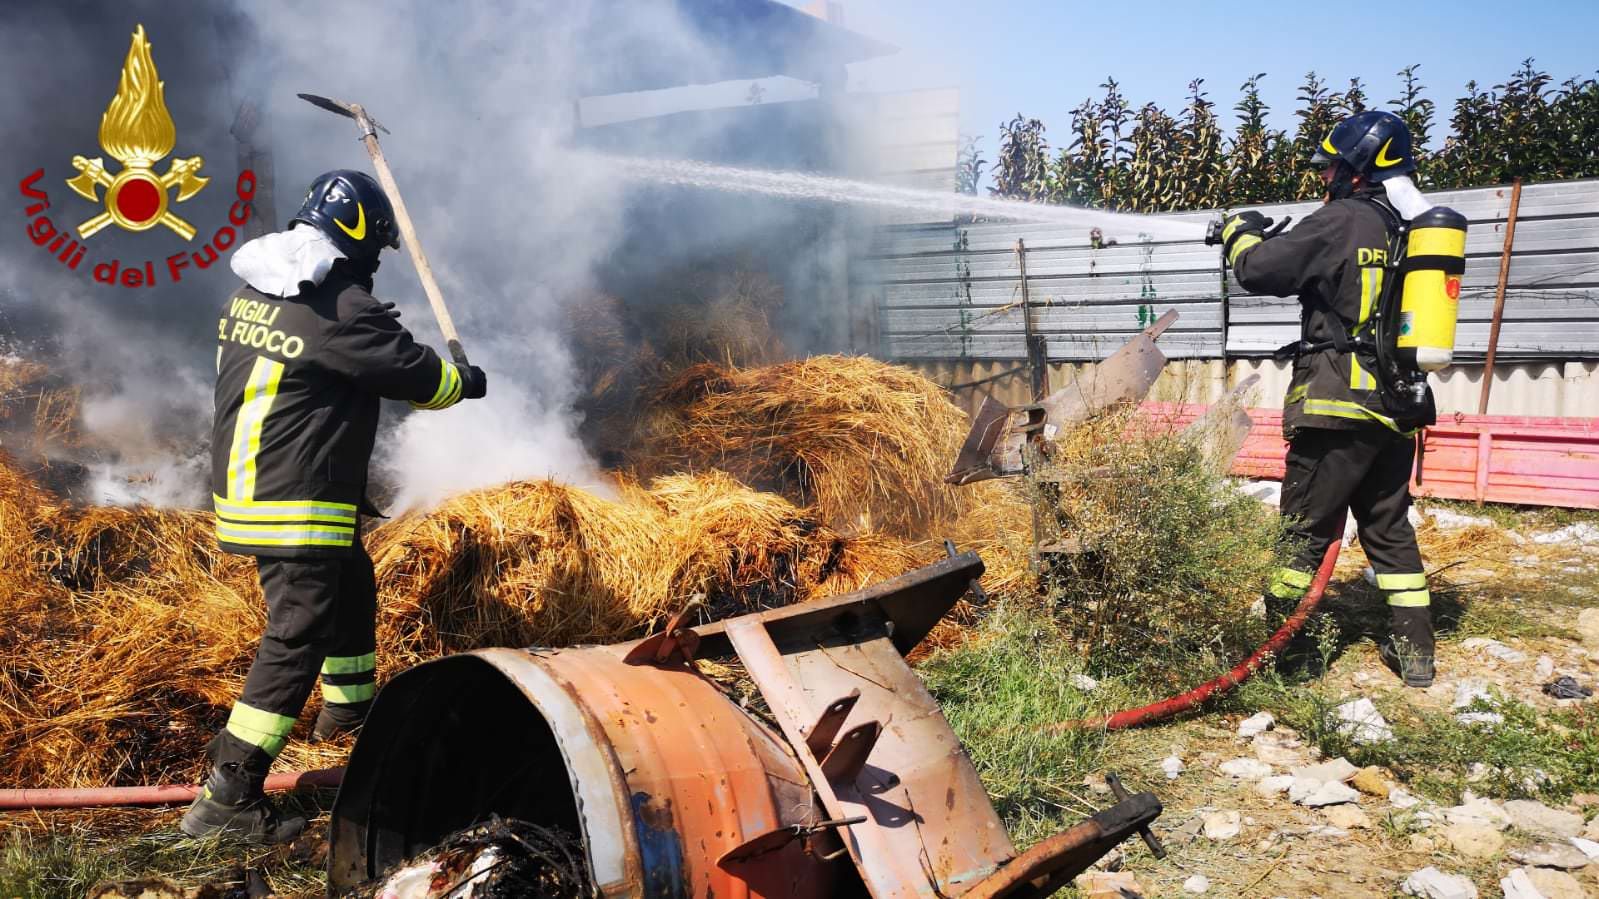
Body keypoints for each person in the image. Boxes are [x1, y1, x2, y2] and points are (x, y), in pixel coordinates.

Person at [182, 170, 487, 841]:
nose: (377, 261)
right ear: (356, 237)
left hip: (252, 486)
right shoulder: (340, 308)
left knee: (351, 583)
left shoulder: (259, 287)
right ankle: (227, 796)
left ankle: (347, 716)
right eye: (377, 246)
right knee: (297, 634)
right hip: (295, 499)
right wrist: (463, 380)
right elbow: (419, 379)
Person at [1218, 110, 1436, 689]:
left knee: (1304, 534)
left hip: (1336, 404)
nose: (1325, 176)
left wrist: (1241, 228)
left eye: (1333, 165)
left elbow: (1258, 270)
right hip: (1394, 405)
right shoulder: (1411, 227)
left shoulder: (1342, 220)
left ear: (1359, 166)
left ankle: (1287, 659)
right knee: (1388, 529)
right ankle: (1416, 655)